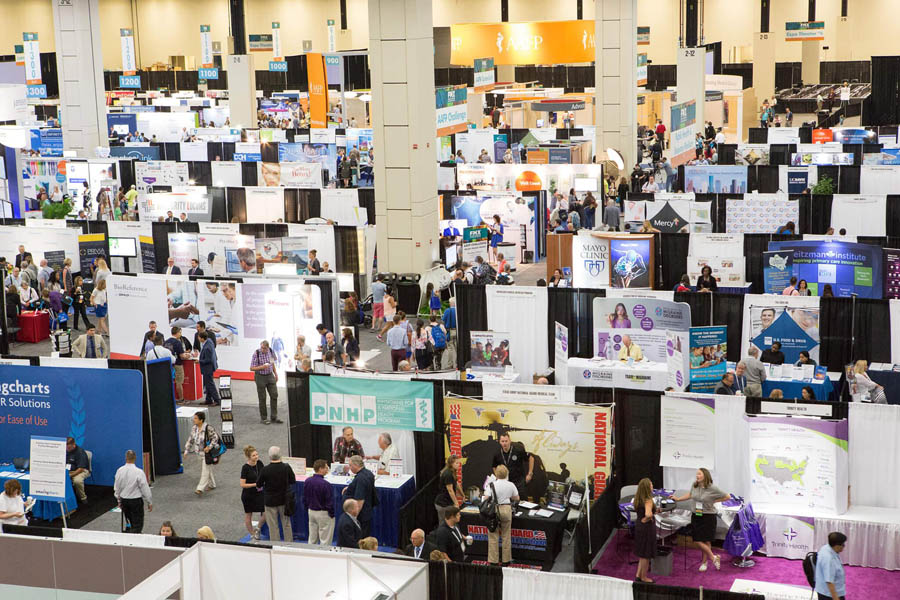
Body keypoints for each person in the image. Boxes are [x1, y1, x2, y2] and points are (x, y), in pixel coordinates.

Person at [672, 468, 730, 572]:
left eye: (699, 474)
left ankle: (704, 562)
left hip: (708, 516)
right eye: (697, 474)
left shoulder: (712, 488)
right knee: (697, 539)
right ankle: (714, 558)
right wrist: (678, 499)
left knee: (706, 540)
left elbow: (727, 496)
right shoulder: (695, 485)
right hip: (696, 515)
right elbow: (690, 495)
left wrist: (714, 500)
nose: (697, 476)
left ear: (705, 476)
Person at [257, 446, 296, 542]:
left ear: (269, 456)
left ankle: (275, 544)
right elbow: (293, 480)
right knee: (286, 523)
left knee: (273, 525)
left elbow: (258, 484)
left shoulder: (265, 469)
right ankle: (289, 544)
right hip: (284, 500)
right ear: (280, 455)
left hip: (270, 501)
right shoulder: (286, 467)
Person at [484, 464, 520, 566]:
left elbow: (486, 498)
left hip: (494, 511)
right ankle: (506, 560)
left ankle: (493, 561)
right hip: (506, 509)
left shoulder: (491, 485)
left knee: (493, 535)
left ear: (496, 474)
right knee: (506, 535)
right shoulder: (511, 485)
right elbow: (516, 498)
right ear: (507, 473)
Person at [114, 450, 153, 533]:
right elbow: (145, 488)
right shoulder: (139, 472)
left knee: (129, 522)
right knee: (137, 524)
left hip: (124, 500)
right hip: (136, 501)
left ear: (125, 458)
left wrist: (119, 500)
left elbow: (117, 487)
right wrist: (149, 502)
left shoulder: (119, 471)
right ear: (135, 458)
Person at [183, 411, 219, 495]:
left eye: (195, 418)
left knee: (205, 470)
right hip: (198, 453)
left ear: (201, 420)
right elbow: (190, 440)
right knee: (208, 469)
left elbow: (215, 438)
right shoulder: (194, 428)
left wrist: (209, 447)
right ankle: (212, 484)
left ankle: (200, 488)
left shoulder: (208, 428)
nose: (193, 420)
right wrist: (186, 450)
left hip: (207, 454)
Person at [491, 432, 534, 498]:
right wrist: (497, 476)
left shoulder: (518, 449)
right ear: (499, 442)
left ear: (510, 441)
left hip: (518, 482)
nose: (504, 443)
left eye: (506, 441)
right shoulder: (497, 453)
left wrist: (530, 474)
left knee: (522, 502)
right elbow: (494, 466)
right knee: (507, 501)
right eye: (502, 441)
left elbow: (531, 458)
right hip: (505, 483)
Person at [343, 455, 376, 536]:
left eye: (350, 465)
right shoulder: (368, 473)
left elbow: (359, 501)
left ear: (356, 465)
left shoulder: (360, 478)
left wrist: (354, 518)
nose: (350, 468)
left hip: (361, 515)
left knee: (360, 537)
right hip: (367, 510)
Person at [632, 478, 658, 583]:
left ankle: (638, 574)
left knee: (642, 553)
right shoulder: (648, 499)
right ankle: (644, 577)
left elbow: (642, 512)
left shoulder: (638, 498)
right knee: (646, 555)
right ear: (647, 487)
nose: (652, 486)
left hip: (639, 527)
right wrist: (648, 518)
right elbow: (648, 514)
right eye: (651, 485)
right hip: (647, 528)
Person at [304, 459, 335, 545]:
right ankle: (324, 556)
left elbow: (305, 498)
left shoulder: (307, 481)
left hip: (311, 512)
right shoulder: (326, 484)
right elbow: (329, 502)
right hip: (323, 513)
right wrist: (332, 514)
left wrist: (307, 508)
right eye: (326, 467)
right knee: (325, 540)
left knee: (312, 538)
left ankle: (310, 555)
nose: (327, 469)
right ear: (320, 469)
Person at [250, 340, 281, 424]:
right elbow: (252, 368)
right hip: (260, 376)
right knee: (262, 398)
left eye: (264, 348)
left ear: (268, 348)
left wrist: (276, 374)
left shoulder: (270, 351)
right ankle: (264, 418)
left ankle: (274, 417)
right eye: (262, 347)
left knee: (274, 395)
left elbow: (272, 363)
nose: (263, 349)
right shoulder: (256, 353)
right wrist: (262, 367)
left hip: (270, 375)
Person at [239, 445, 266, 540]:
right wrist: (255, 484)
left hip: (260, 493)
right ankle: (252, 534)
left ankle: (258, 527)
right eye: (254, 455)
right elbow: (242, 484)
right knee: (248, 515)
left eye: (257, 454)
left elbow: (263, 474)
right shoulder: (245, 468)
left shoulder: (259, 463)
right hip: (248, 495)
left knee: (266, 511)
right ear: (249, 457)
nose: (256, 457)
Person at [815, 532, 847, 600]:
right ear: (837, 546)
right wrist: (836, 598)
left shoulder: (826, 547)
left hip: (826, 591)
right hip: (829, 595)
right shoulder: (829, 559)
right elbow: (829, 582)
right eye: (843, 544)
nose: (844, 546)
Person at [435, 455, 464, 522]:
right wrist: (456, 503)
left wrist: (463, 494)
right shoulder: (448, 474)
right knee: (444, 523)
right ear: (451, 464)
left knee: (451, 522)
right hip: (443, 503)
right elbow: (450, 490)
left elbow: (457, 484)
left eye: (459, 463)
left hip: (448, 502)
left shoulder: (453, 472)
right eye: (456, 463)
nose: (458, 465)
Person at [66, 437, 91, 504]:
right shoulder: (65, 451)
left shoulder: (80, 452)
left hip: (80, 471)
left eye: (69, 448)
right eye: (66, 448)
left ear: (73, 444)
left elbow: (81, 468)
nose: (67, 449)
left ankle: (83, 498)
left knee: (77, 481)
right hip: (68, 470)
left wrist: (70, 475)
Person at [198, 331, 220, 406]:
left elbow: (208, 360)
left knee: (210, 384)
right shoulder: (209, 341)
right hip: (209, 367)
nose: (198, 338)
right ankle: (208, 399)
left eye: (199, 337)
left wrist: (199, 361)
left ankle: (217, 400)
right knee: (207, 384)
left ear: (202, 338)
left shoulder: (207, 347)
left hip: (208, 368)